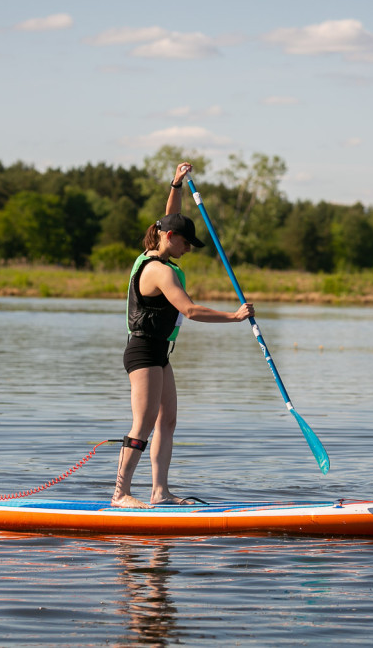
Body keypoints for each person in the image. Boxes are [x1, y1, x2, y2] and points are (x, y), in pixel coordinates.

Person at [113, 162, 254, 509]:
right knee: (143, 423)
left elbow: (169, 219)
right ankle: (120, 495)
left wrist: (175, 185)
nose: (188, 249)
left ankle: (159, 491)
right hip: (143, 351)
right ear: (170, 239)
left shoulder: (158, 248)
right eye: (186, 243)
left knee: (168, 421)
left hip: (160, 351)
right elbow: (189, 310)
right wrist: (233, 317)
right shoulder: (159, 272)